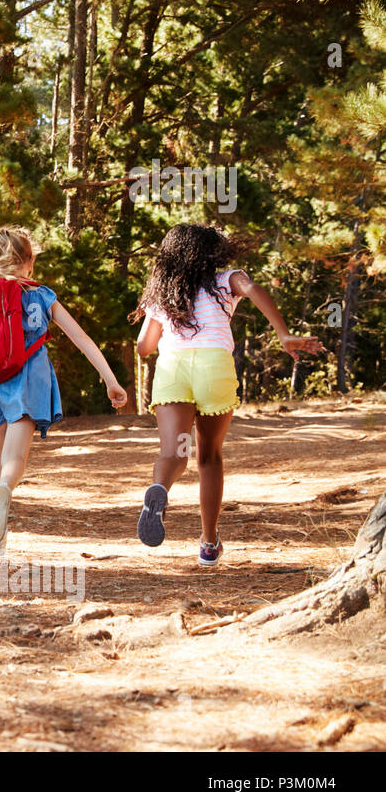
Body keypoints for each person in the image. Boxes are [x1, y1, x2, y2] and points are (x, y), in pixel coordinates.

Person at [133, 223, 322, 565]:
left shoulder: (162, 292)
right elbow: (254, 289)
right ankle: (208, 543)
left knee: (175, 452)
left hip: (174, 370)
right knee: (209, 456)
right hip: (213, 369)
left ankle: (159, 490)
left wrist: (162, 318)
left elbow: (144, 348)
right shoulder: (227, 280)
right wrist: (283, 334)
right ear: (211, 253)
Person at [0, 227, 128, 555]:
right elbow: (81, 338)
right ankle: (5, 489)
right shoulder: (42, 295)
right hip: (30, 379)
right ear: (29, 261)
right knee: (15, 458)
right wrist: (110, 379)